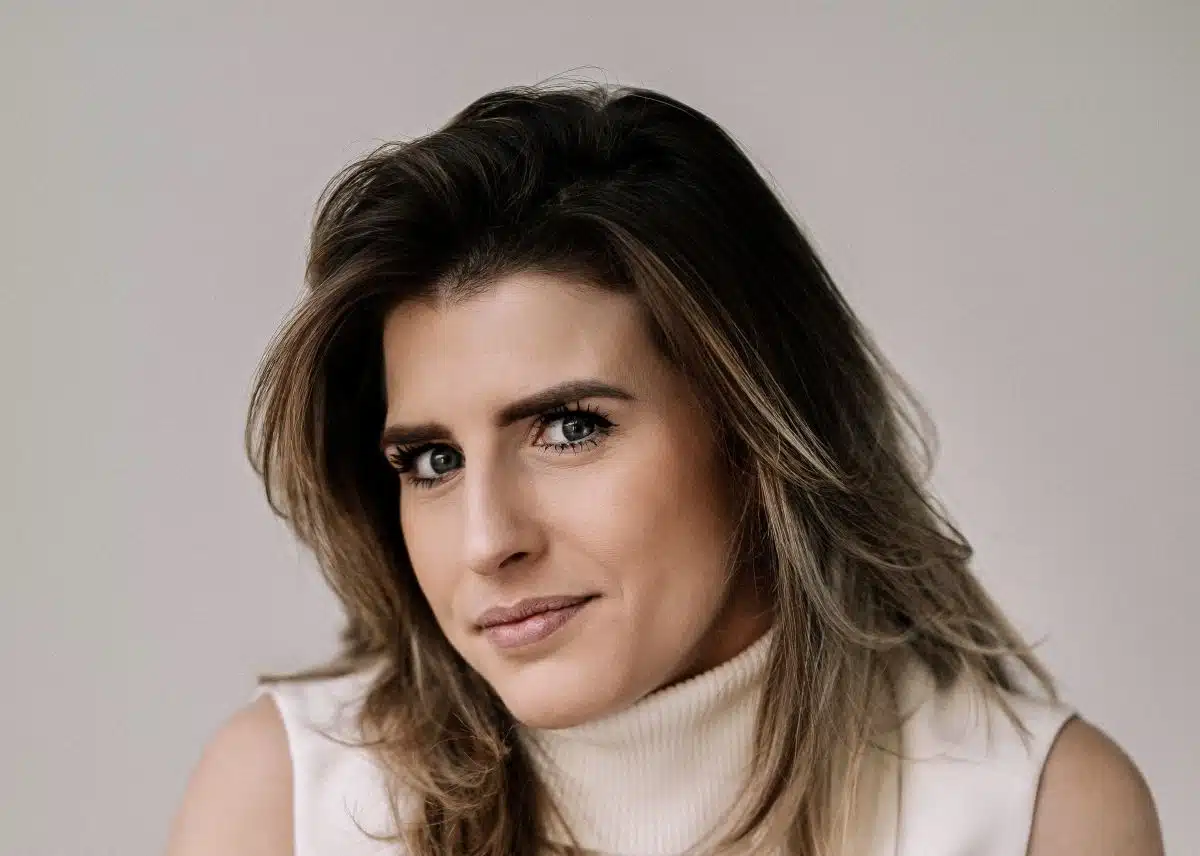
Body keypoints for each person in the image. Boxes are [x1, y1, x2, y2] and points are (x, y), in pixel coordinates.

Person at [166, 83, 1163, 856]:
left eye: (569, 428)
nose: (486, 540)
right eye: (432, 460)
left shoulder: (1034, 813)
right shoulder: (289, 802)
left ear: (755, 433)